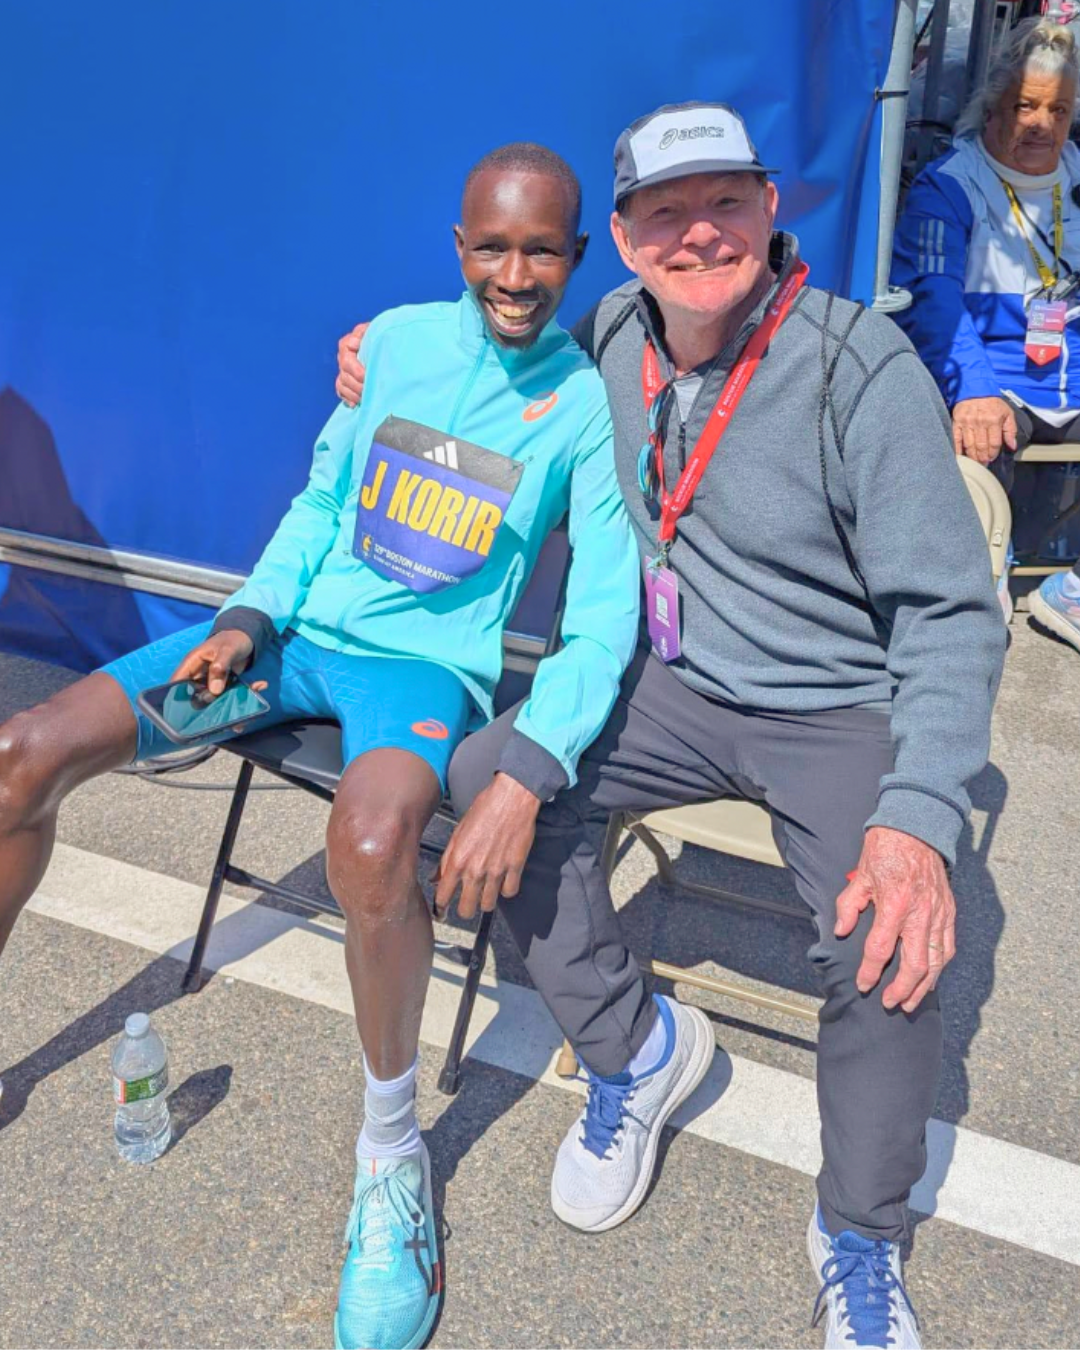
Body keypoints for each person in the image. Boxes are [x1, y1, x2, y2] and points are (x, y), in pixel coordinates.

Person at [338, 102, 1006, 1349]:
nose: (699, 234)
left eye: (725, 202)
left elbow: (953, 616)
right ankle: (634, 1053)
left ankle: (859, 1236)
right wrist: (377, 355)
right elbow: (478, 367)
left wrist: (918, 822)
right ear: (627, 237)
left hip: (832, 703)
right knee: (489, 781)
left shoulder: (858, 365)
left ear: (770, 206)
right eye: (665, 212)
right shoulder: (606, 334)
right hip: (669, 683)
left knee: (886, 936)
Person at [0, 144, 642, 1350]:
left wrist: (533, 761)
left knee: (376, 841)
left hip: (415, 677)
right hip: (285, 642)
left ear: (577, 255)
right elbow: (319, 502)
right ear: (458, 249)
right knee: (20, 756)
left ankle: (391, 1157)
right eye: (491, 248)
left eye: (540, 251)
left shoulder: (584, 409)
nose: (514, 275)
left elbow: (605, 616)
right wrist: (248, 613)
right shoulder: (391, 342)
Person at [892, 17, 1080, 652]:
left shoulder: (1077, 174)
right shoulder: (950, 184)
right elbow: (931, 302)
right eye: (1025, 106)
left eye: (1057, 110)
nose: (1042, 124)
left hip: (1071, 375)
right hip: (997, 381)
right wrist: (973, 388)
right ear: (992, 107)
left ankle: (1071, 593)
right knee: (974, 437)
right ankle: (972, 591)